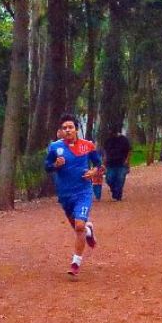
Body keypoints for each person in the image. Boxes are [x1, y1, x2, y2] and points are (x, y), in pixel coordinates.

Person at [45, 113, 103, 276]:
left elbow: (99, 165)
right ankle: (89, 230)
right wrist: (55, 164)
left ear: (76, 129)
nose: (68, 130)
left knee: (79, 226)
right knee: (78, 228)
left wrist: (93, 171)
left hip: (83, 192)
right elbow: (47, 166)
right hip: (65, 195)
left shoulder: (88, 146)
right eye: (64, 128)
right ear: (61, 131)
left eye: (70, 127)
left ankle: (75, 263)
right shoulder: (55, 147)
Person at [103, 129, 132, 201]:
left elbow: (129, 151)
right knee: (109, 179)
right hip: (110, 163)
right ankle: (114, 191)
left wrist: (127, 161)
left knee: (120, 180)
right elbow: (105, 152)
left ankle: (118, 195)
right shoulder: (108, 140)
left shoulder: (124, 140)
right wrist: (104, 162)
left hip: (121, 163)